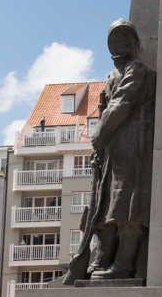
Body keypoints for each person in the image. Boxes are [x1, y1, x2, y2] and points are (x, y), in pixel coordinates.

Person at [64, 19, 156, 283]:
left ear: (137, 43)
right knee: (103, 208)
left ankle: (124, 265)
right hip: (112, 151)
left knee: (128, 206)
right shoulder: (112, 76)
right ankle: (101, 260)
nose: (122, 42)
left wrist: (99, 137)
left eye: (127, 37)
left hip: (132, 146)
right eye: (117, 39)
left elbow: (121, 105)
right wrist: (100, 148)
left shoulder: (137, 70)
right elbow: (107, 108)